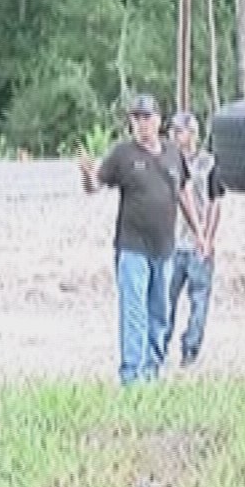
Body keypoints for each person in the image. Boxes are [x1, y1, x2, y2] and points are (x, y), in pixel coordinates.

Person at [78, 94, 201, 385]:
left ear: (158, 120)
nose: (141, 123)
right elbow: (95, 186)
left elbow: (184, 192)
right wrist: (87, 175)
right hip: (132, 246)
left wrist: (199, 231)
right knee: (134, 312)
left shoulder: (173, 154)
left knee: (160, 311)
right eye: (136, 118)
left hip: (164, 247)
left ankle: (152, 370)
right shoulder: (123, 155)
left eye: (146, 117)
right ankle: (132, 376)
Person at [162, 110, 223, 368]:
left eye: (179, 131)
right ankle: (160, 348)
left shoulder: (208, 164)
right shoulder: (167, 163)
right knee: (165, 301)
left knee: (199, 302)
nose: (174, 136)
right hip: (171, 243)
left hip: (197, 245)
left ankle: (191, 350)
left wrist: (207, 238)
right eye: (173, 131)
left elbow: (215, 202)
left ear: (192, 134)